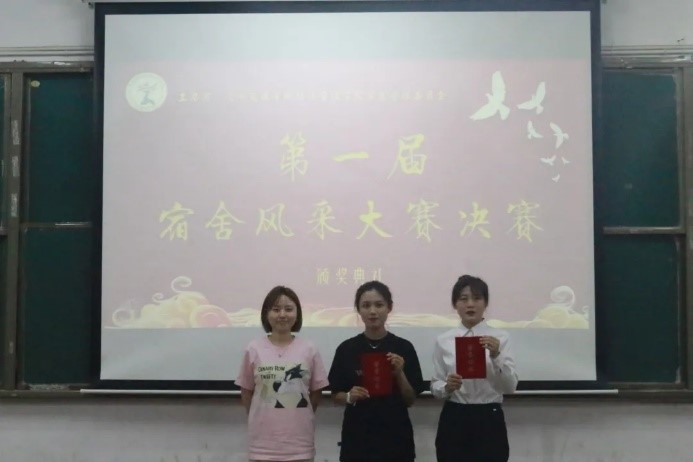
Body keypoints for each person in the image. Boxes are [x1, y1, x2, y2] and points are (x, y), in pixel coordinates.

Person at [328, 281, 425, 462]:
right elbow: (335, 395)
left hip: (396, 438)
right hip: (357, 438)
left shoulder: (404, 347)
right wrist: (349, 396)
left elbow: (410, 400)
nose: (372, 311)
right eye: (366, 305)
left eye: (379, 305)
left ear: (389, 308)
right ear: (358, 310)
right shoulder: (346, 349)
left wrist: (400, 374)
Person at [236, 286, 329, 462]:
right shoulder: (253, 349)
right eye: (276, 309)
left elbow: (316, 393)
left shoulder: (309, 349)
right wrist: (261, 413)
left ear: (297, 313)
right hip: (262, 445)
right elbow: (246, 391)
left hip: (300, 444)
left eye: (288, 309)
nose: (282, 314)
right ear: (266, 314)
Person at [431, 275, 518, 462]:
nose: (470, 304)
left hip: (489, 416)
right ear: (455, 304)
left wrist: (496, 355)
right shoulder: (444, 340)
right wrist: (446, 386)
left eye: (477, 298)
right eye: (463, 299)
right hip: (455, 414)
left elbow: (510, 387)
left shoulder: (501, 338)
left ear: (486, 303)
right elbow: (435, 385)